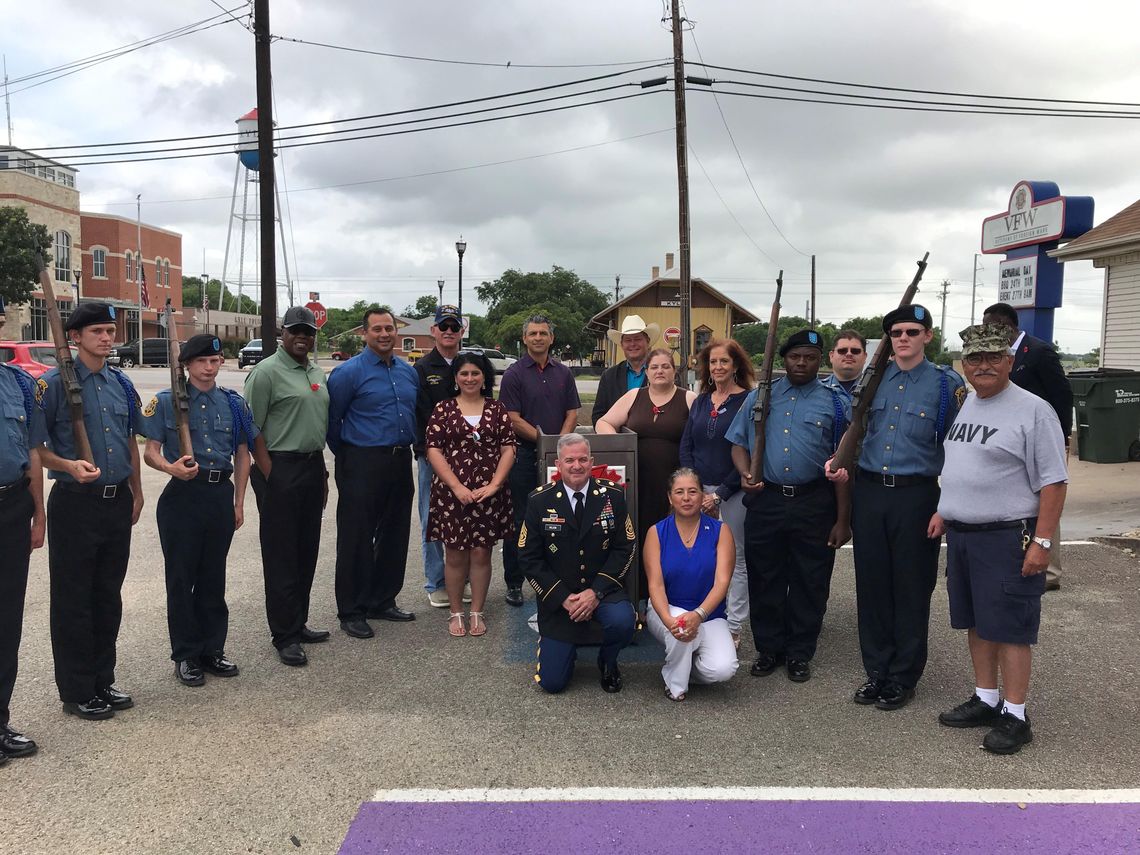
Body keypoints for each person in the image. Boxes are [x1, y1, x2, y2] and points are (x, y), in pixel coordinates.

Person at [929, 323, 1068, 754]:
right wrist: (945, 508)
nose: (984, 366)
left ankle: (1016, 714)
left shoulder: (1033, 410)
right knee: (978, 622)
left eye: (994, 358)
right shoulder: (969, 402)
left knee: (1011, 628)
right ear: (964, 364)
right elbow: (966, 465)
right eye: (975, 358)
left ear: (1010, 361)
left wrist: (1042, 542)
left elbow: (1054, 482)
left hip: (1010, 537)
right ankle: (987, 698)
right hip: (966, 537)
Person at [825, 305, 964, 710]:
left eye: (912, 331)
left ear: (928, 337)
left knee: (910, 586)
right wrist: (838, 463)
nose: (903, 338)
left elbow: (957, 450)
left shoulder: (944, 385)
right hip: (870, 492)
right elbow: (857, 432)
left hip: (917, 495)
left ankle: (903, 677)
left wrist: (948, 507)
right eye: (897, 333)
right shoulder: (872, 380)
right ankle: (876, 672)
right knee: (872, 586)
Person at [727, 329, 852, 683]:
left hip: (813, 501)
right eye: (796, 356)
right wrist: (743, 473)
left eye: (810, 357)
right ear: (784, 359)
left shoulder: (835, 403)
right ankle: (769, 649)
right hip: (766, 499)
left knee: (810, 579)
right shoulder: (759, 398)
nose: (802, 363)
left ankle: (799, 652)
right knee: (765, 575)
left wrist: (843, 519)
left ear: (820, 361)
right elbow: (737, 443)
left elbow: (844, 464)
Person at [39, 302, 144, 719]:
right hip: (75, 504)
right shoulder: (53, 385)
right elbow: (36, 449)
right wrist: (67, 465)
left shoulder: (122, 385)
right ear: (76, 336)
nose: (106, 337)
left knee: (107, 596)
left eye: (110, 331)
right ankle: (78, 689)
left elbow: (130, 440)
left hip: (115, 502)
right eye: (97, 331)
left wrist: (136, 492)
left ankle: (104, 678)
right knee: (74, 600)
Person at [141, 334, 259, 687]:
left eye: (215, 361)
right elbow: (151, 450)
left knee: (213, 578)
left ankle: (212, 649)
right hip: (182, 497)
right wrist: (170, 468)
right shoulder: (167, 402)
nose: (210, 367)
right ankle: (186, 655)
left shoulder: (234, 404)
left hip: (218, 494)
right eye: (202, 362)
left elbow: (242, 454)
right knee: (181, 580)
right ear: (187, 365)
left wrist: (238, 501)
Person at [245, 305, 331, 667]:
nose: (302, 337)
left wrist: (323, 473)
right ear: (283, 333)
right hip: (279, 467)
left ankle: (299, 621)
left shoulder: (315, 370)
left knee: (306, 550)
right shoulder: (266, 372)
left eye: (308, 332)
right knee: (281, 555)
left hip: (312, 467)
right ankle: (284, 634)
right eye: (295, 331)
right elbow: (251, 429)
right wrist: (270, 473)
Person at [327, 306, 419, 640]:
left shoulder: (408, 372)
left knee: (394, 533)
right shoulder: (348, 373)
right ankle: (351, 610)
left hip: (399, 459)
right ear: (364, 333)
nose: (384, 334)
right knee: (356, 537)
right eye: (377, 329)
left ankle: (382, 600)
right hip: (361, 460)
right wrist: (351, 457)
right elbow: (332, 423)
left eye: (389, 328)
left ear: (396, 331)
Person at [518, 433, 636, 693]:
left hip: (602, 591)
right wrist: (561, 597)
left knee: (624, 622)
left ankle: (608, 660)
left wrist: (595, 592)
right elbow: (528, 556)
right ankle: (561, 647)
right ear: (558, 465)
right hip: (560, 597)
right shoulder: (539, 501)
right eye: (569, 460)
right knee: (553, 684)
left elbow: (625, 547)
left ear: (591, 461)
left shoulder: (612, 496)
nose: (577, 466)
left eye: (583, 459)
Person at [596, 348, 696, 614]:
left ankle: (669, 601)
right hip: (637, 484)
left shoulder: (689, 399)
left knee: (672, 540)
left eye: (666, 366)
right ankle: (637, 598)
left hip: (674, 488)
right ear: (647, 372)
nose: (660, 371)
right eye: (654, 367)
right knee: (637, 538)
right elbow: (603, 422)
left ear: (675, 370)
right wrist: (617, 443)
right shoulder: (633, 396)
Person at [982, 302, 1073, 592]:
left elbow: (1062, 396)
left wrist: (1060, 439)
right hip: (1011, 444)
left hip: (1041, 440)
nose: (987, 333)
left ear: (1007, 326)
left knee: (1046, 501)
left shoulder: (1038, 352)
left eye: (990, 327)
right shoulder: (1000, 356)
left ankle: (1050, 573)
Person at [426, 352, 516, 637]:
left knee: (481, 553)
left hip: (488, 494)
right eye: (464, 374)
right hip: (452, 493)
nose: (469, 379)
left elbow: (508, 448)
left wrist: (495, 485)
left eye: (475, 373)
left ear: (484, 377)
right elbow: (433, 450)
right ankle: (455, 612)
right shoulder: (443, 409)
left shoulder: (497, 409)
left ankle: (476, 611)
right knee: (455, 554)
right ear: (455, 378)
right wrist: (456, 487)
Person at [498, 315, 581, 607]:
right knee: (521, 520)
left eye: (543, 333)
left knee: (560, 519)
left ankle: (555, 579)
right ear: (524, 339)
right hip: (523, 457)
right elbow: (512, 418)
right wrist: (546, 443)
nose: (538, 338)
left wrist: (561, 444)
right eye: (532, 333)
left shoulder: (564, 373)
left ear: (551, 338)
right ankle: (514, 582)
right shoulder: (514, 374)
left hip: (558, 458)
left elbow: (572, 412)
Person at [679, 338, 754, 646]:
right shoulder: (701, 400)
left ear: (736, 365)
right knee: (698, 556)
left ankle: (733, 625)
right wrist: (695, 489)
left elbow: (749, 453)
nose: (718, 367)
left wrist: (719, 494)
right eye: (712, 362)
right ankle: (701, 615)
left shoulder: (749, 400)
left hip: (732, 493)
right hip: (697, 492)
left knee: (735, 559)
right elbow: (687, 445)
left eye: (724, 361)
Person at [415, 304, 490, 608]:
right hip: (434, 458)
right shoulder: (422, 369)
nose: (448, 331)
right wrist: (430, 456)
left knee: (471, 518)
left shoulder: (469, 363)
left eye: (454, 327)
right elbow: (419, 416)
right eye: (442, 326)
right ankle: (437, 581)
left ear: (462, 331)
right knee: (433, 521)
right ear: (433, 330)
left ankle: (465, 580)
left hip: (473, 460)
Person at [643, 468, 738, 701]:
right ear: (670, 497)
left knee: (723, 669)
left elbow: (722, 582)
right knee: (682, 628)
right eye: (679, 492)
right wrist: (669, 621)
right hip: (667, 610)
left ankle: (687, 665)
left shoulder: (721, 531)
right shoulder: (656, 532)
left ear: (702, 495)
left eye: (693, 491)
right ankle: (675, 684)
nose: (686, 498)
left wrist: (699, 614)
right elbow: (655, 586)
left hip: (710, 614)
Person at [0, 360, 46, 760]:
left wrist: (38, 512)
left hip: (12, 504)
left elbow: (32, 450)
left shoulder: (17, 383)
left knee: (7, 620)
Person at [591, 314, 659, 425]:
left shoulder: (663, 373)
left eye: (637, 339)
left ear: (648, 342)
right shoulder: (609, 376)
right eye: (628, 340)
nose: (633, 344)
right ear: (622, 345)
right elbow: (598, 416)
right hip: (617, 439)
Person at [824, 329, 868, 395]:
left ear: (865, 357)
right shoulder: (815, 391)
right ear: (831, 356)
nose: (849, 354)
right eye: (842, 350)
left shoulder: (878, 389)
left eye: (855, 351)